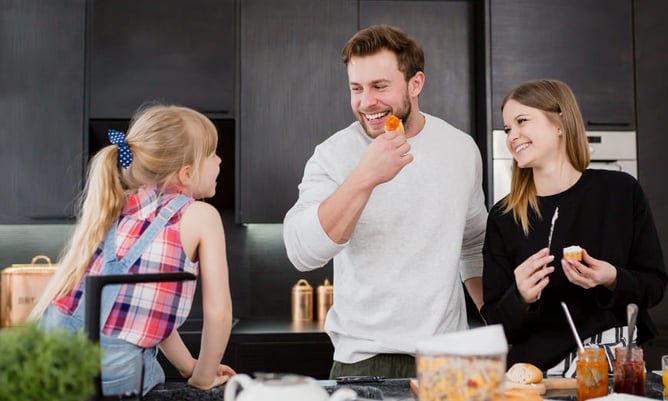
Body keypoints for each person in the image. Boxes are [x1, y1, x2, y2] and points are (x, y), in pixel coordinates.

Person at [283, 24, 487, 378]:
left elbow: (472, 246)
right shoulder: (333, 154)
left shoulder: (460, 148)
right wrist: (366, 175)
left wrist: (497, 319)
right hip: (363, 360)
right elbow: (303, 253)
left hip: (448, 359)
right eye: (356, 89)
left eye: (379, 87)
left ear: (415, 84)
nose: (366, 103)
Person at [30, 104, 235, 395]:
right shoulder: (201, 216)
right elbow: (219, 313)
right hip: (112, 373)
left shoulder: (114, 205)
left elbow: (150, 311)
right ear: (187, 173)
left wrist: (188, 364)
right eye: (212, 153)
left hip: (46, 359)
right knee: (150, 373)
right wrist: (202, 377)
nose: (220, 160)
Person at [481, 79, 668, 376]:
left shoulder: (621, 192)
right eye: (507, 129)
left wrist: (612, 278)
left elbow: (654, 286)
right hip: (537, 376)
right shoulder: (504, 218)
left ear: (559, 124)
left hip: (613, 369)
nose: (512, 136)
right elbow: (495, 321)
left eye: (522, 121)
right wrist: (521, 297)